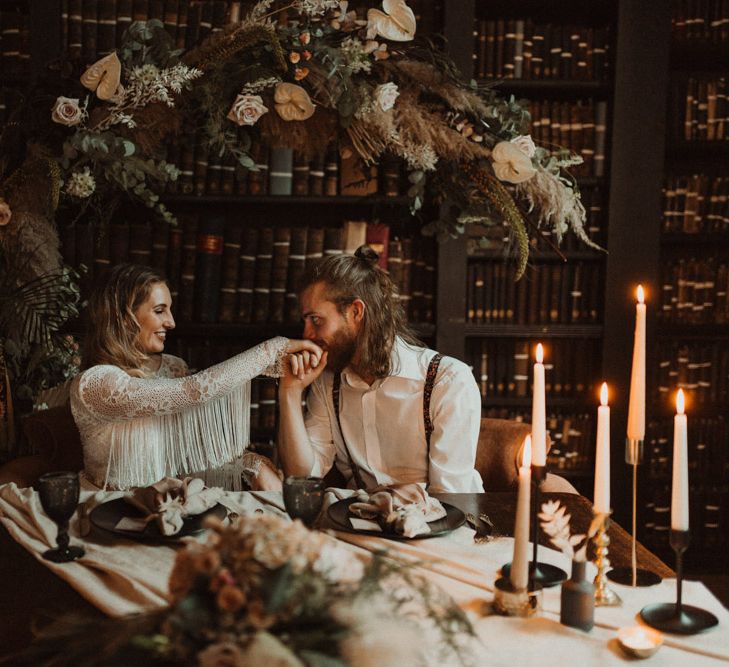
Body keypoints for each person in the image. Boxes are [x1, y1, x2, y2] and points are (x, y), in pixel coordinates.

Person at [70, 263, 321, 492]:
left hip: (164, 508)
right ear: (124, 319)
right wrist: (273, 350)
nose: (171, 322)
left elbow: (183, 461)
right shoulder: (94, 385)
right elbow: (194, 391)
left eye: (169, 310)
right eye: (160, 311)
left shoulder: (172, 367)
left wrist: (249, 466)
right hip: (105, 509)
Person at [277, 246, 484, 493]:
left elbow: (451, 499)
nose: (306, 335)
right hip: (359, 524)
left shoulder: (448, 381)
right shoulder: (327, 382)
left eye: (317, 320)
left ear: (356, 312)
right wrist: (289, 391)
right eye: (306, 321)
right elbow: (301, 477)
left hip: (435, 524)